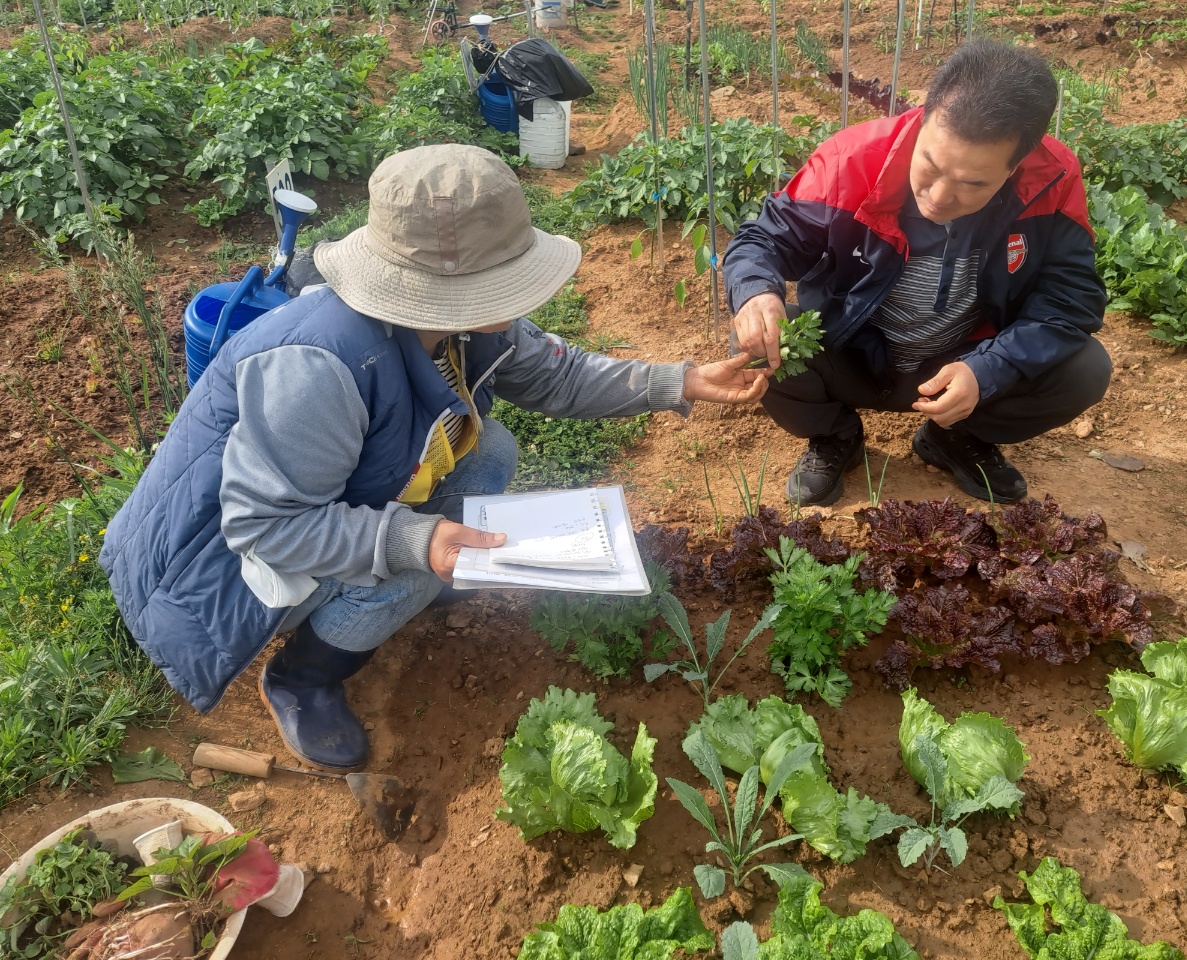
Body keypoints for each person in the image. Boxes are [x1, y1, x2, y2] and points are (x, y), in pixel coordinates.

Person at [100, 145, 770, 773]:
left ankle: (376, 593)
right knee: (414, 569)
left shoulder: (456, 322)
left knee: (492, 452)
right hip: (217, 569)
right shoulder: (319, 365)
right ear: (438, 289)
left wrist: (676, 382)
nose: (519, 295)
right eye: (503, 278)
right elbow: (264, 526)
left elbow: (555, 378)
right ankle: (302, 675)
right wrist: (414, 541)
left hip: (319, 505)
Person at [723, 40, 1110, 507]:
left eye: (974, 184)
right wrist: (755, 293)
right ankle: (835, 436)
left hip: (960, 363)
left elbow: (1070, 299)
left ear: (1016, 166)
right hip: (853, 354)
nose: (941, 197)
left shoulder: (1051, 181)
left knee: (1084, 368)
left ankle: (954, 437)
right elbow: (763, 240)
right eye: (929, 165)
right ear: (923, 117)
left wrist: (988, 369)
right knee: (760, 342)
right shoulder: (852, 161)